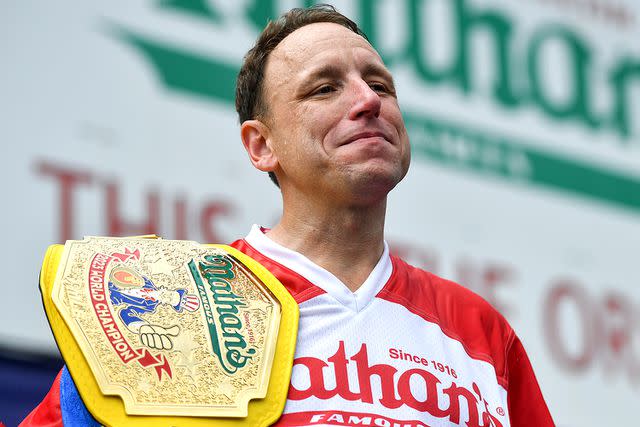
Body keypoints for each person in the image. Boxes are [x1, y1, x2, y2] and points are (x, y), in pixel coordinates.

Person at [23, 5, 553, 426]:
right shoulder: (171, 298)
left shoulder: (480, 330)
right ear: (261, 146)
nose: (368, 101)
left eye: (381, 85)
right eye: (325, 88)